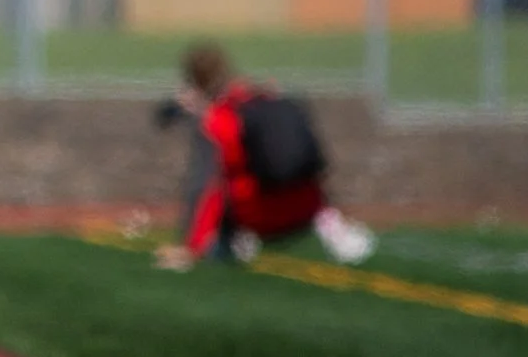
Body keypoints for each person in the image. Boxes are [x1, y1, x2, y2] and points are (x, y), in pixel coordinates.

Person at [155, 43, 376, 271]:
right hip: (309, 206)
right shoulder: (265, 99)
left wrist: (192, 248)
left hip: (259, 216)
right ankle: (334, 229)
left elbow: (214, 186)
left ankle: (235, 241)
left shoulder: (221, 119)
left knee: (226, 191)